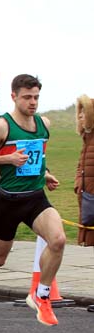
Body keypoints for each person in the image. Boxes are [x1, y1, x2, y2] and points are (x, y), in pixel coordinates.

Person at [0, 74, 64, 326]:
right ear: (14, 97)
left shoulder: (44, 124)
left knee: (58, 240)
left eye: (36, 97)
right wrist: (6, 159)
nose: (33, 102)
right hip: (9, 200)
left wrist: (46, 173)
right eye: (27, 97)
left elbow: (35, 156)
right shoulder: (2, 126)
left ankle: (41, 295)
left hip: (35, 198)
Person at [75, 94, 94, 247]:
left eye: (84, 111)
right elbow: (80, 166)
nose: (81, 115)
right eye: (79, 111)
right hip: (86, 197)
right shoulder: (87, 139)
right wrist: (78, 184)